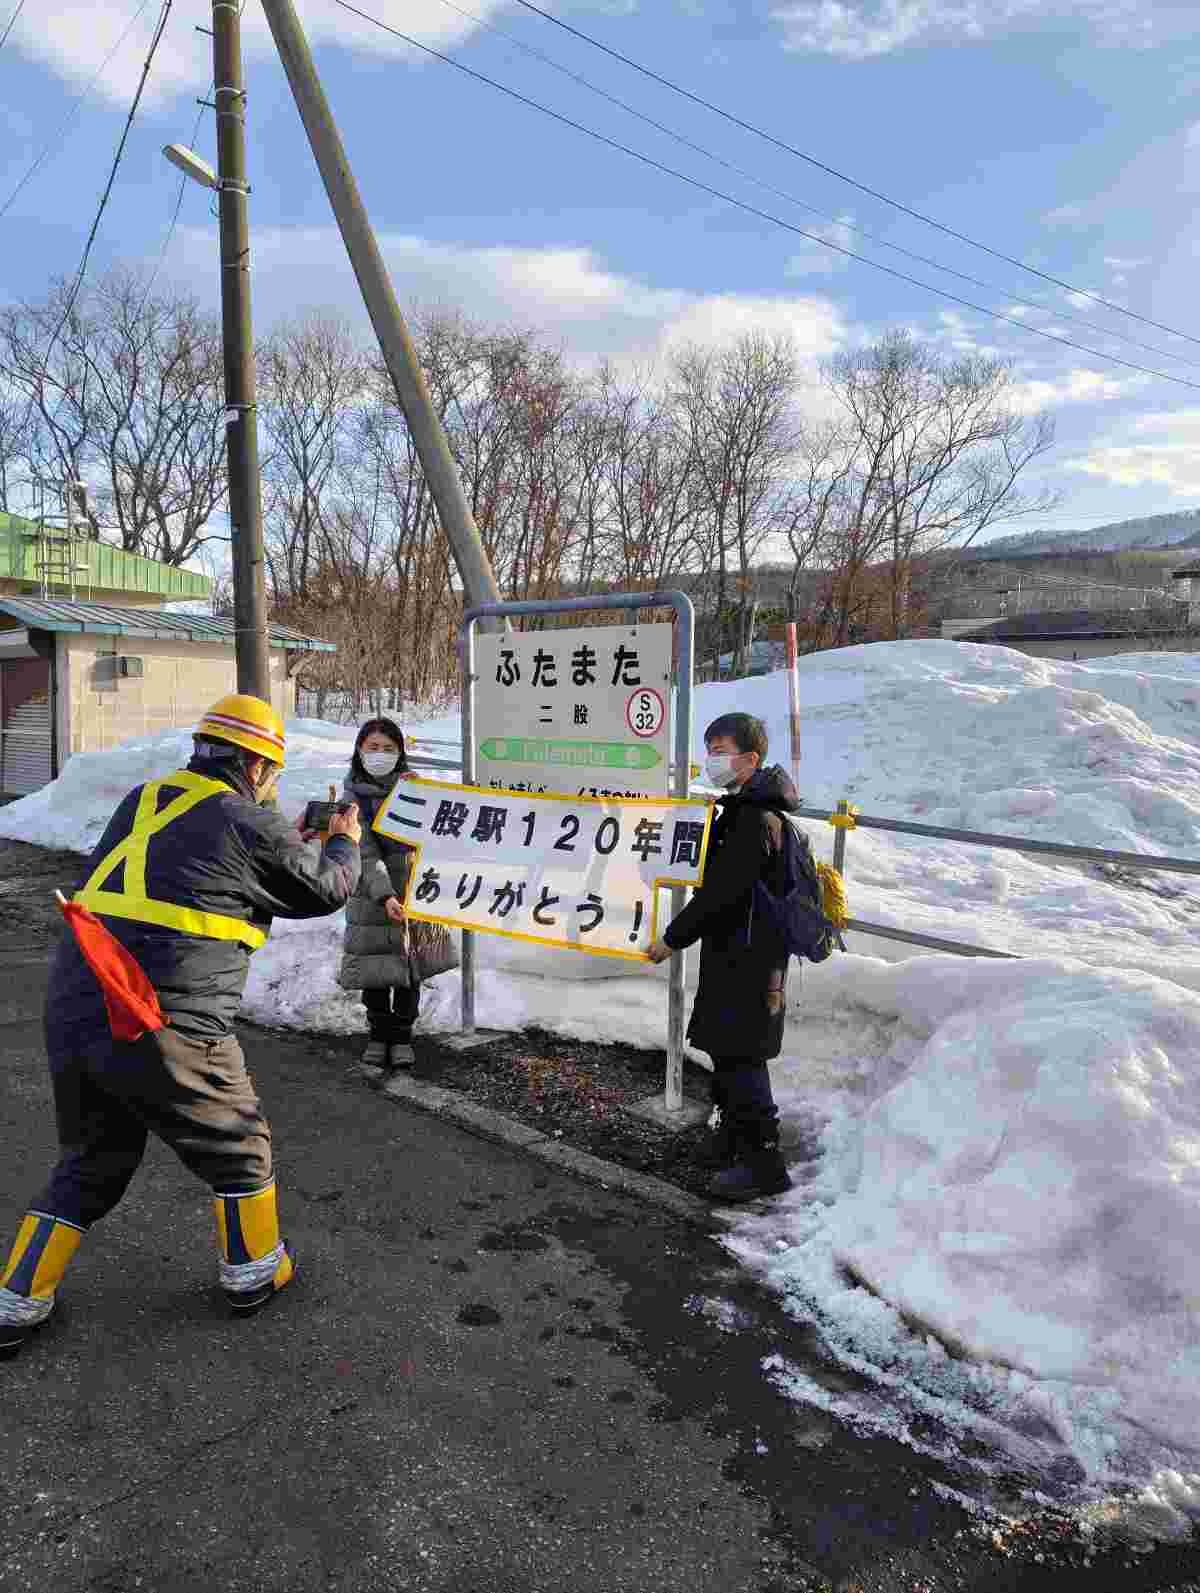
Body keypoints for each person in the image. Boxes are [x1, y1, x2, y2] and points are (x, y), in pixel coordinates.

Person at [0, 694, 362, 1358]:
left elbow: (197, 866)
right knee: (241, 1143)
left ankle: (16, 1302)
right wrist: (342, 839)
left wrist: (278, 840)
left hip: (79, 1002)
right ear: (256, 765)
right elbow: (327, 887)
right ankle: (254, 1273)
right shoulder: (245, 819)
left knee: (92, 1158)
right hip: (162, 1016)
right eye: (272, 773)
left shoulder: (144, 800)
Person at [647, 712, 797, 1204]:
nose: (711, 760)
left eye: (720, 751)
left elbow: (722, 894)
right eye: (709, 749)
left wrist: (672, 938)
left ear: (750, 759)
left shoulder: (754, 818)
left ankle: (765, 1165)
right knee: (728, 1051)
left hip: (750, 958)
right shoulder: (744, 808)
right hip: (738, 951)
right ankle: (733, 1140)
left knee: (742, 1057)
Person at [337, 718, 458, 1085]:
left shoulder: (412, 787)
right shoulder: (351, 798)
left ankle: (402, 1036)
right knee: (375, 972)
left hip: (412, 889)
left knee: (409, 968)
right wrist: (384, 893)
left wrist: (421, 799)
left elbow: (433, 835)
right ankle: (379, 1034)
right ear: (359, 751)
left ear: (401, 753)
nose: (380, 754)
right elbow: (364, 850)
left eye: (389, 748)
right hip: (371, 894)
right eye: (373, 747)